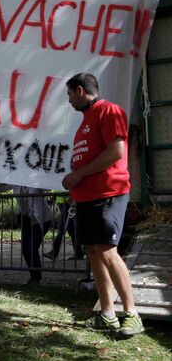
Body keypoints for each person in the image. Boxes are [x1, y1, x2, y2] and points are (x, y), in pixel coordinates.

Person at [63, 72, 143, 337]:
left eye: (69, 94)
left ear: (80, 91)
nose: (69, 100)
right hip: (87, 197)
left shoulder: (110, 111)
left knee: (108, 250)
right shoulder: (85, 121)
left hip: (109, 192)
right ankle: (107, 314)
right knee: (94, 252)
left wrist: (79, 174)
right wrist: (75, 184)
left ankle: (131, 313)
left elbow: (116, 151)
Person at [0, 184, 53, 284]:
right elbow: (0, 189)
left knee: (32, 247)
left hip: (41, 218)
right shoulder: (16, 181)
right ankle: (33, 275)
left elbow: (48, 186)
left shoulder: (36, 179)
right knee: (25, 248)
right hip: (27, 218)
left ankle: (36, 278)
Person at [43, 195, 84, 261]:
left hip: (69, 202)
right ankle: (79, 253)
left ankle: (54, 253)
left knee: (62, 228)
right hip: (65, 202)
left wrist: (72, 198)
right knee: (72, 230)